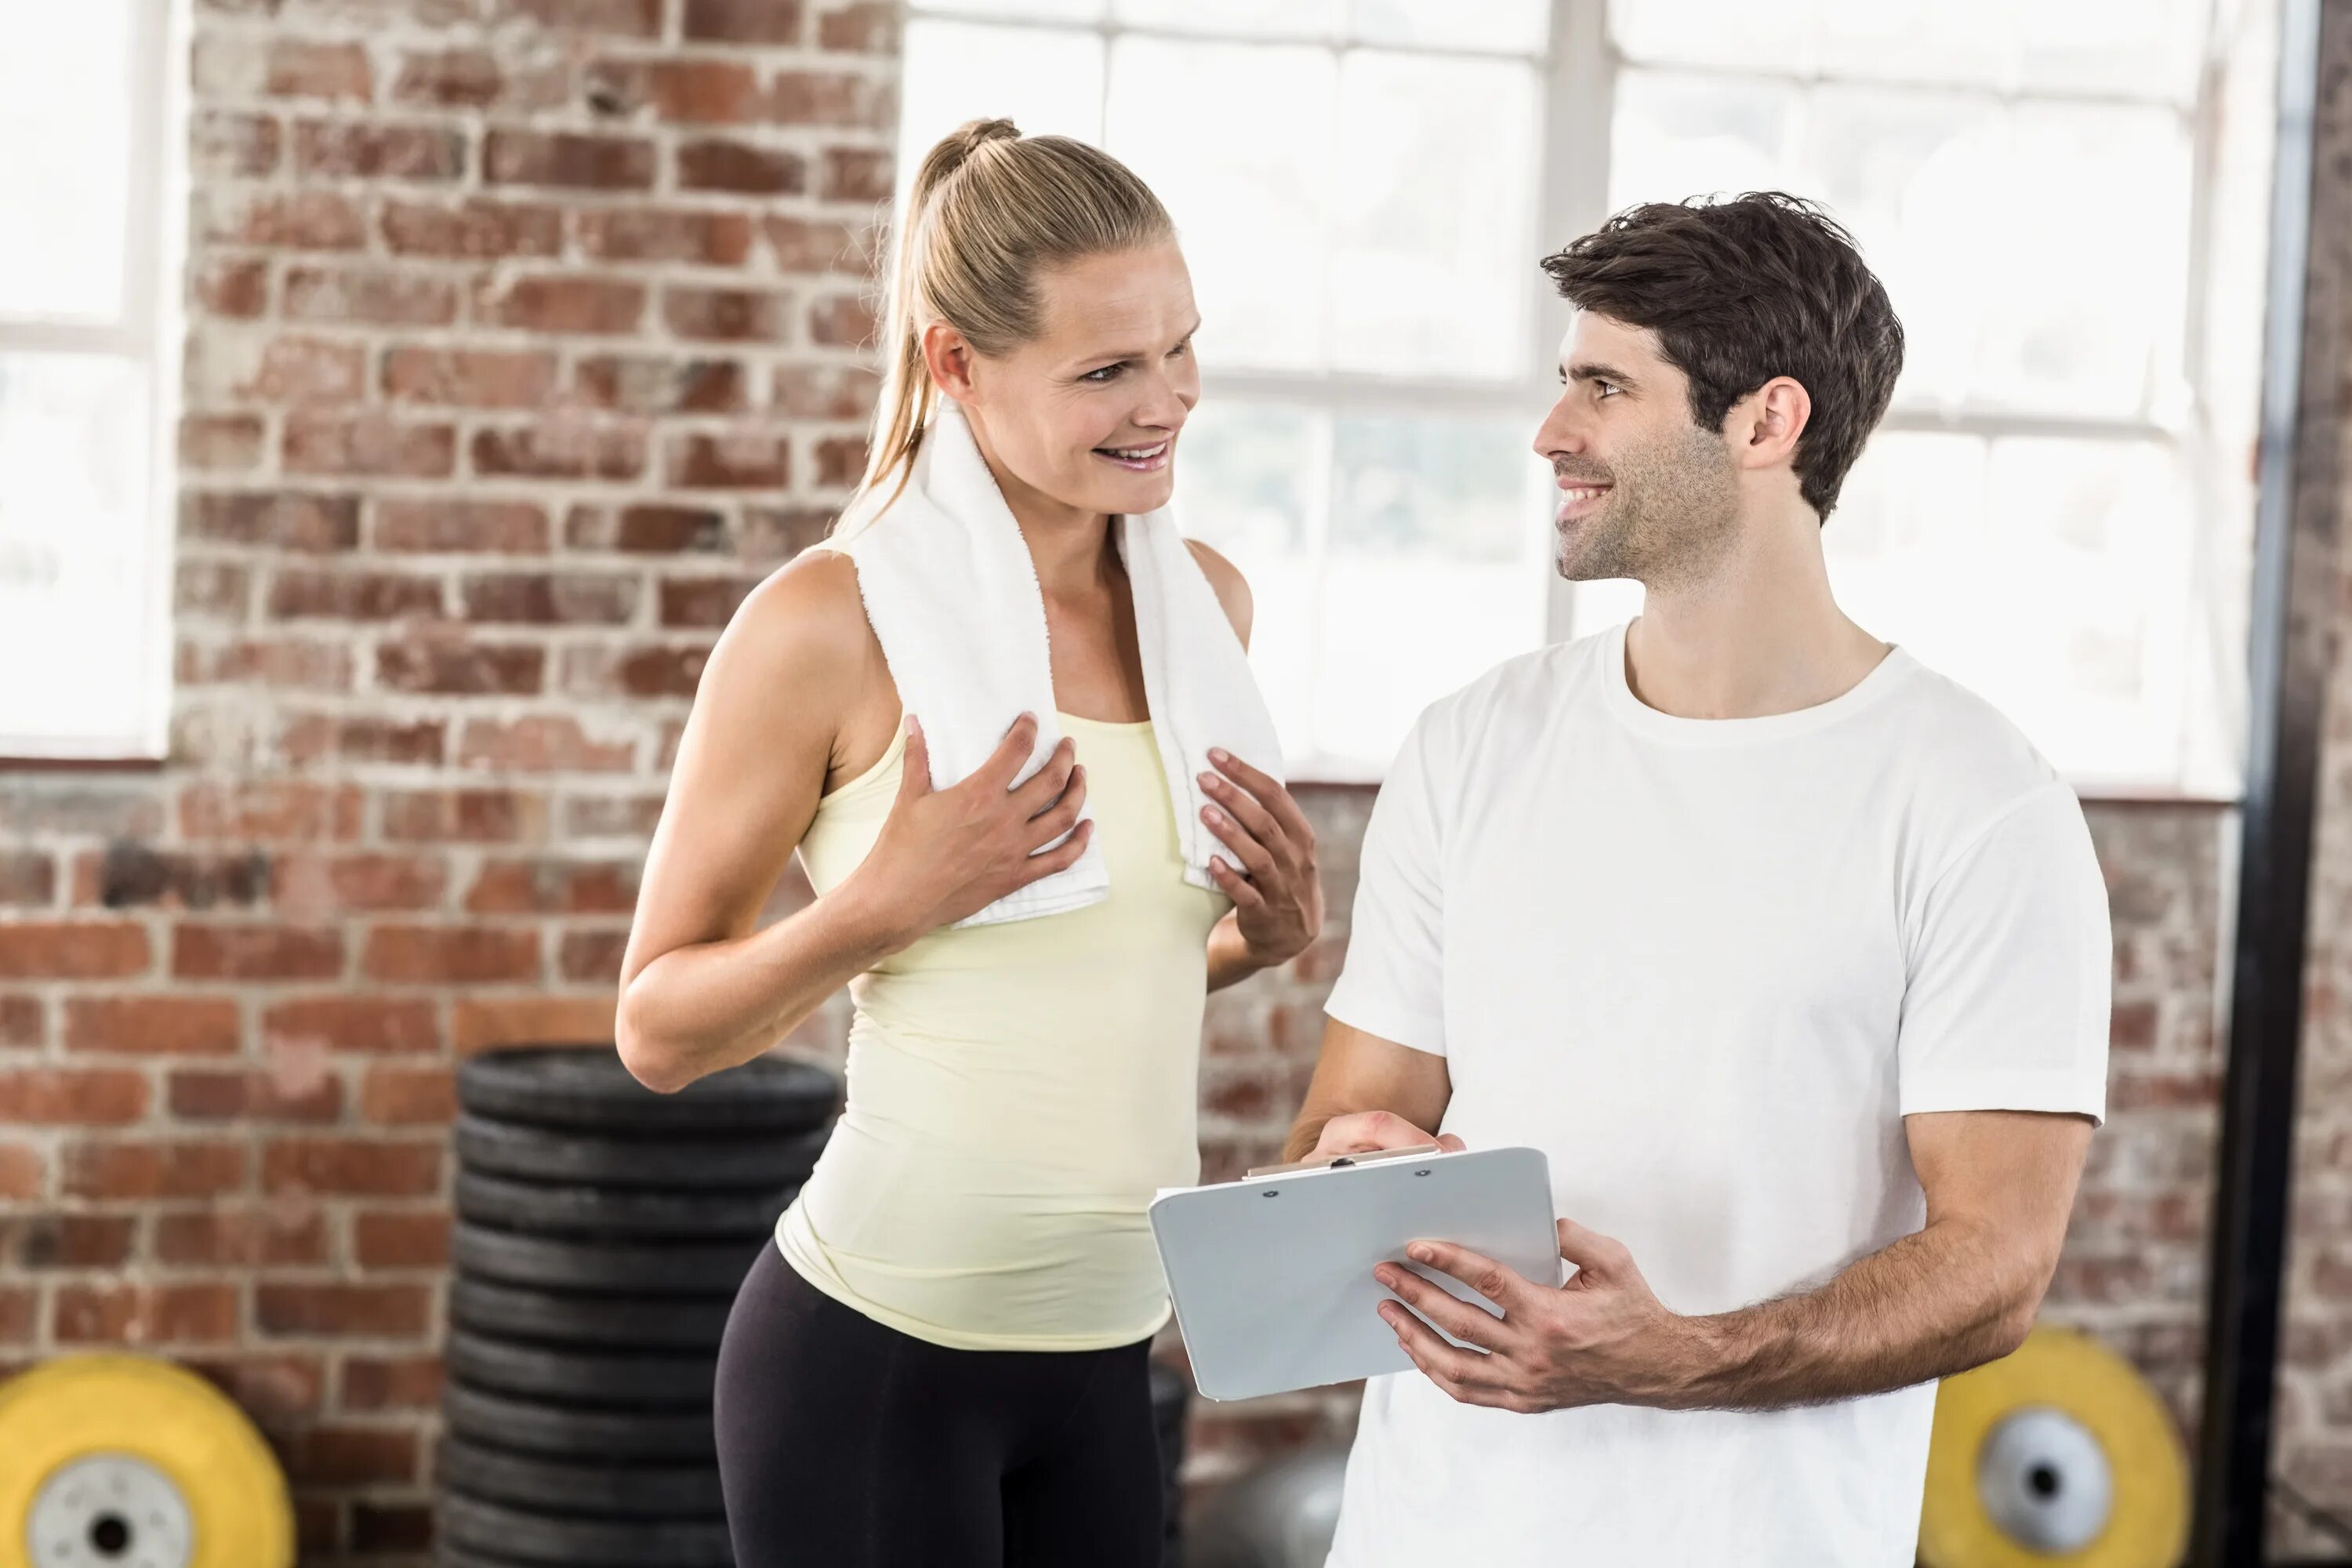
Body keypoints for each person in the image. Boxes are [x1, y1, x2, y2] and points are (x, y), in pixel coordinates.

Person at [1283, 193, 2111, 1566]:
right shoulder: (1471, 744)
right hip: (1427, 1531)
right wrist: (1345, 1167)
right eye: (1564, 385)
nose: (1553, 435)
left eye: (1604, 387)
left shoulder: (1976, 801)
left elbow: (1994, 1269)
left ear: (1764, 422)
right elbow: (1352, 1115)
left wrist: (1674, 1357)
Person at [614, 120, 1323, 1568]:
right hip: (873, 1362)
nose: (1166, 403)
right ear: (955, 366)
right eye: (1106, 370)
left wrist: (1272, 937)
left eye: (1180, 350)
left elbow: (1086, 976)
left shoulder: (1207, 611)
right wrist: (885, 902)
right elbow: (656, 1029)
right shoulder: (827, 624)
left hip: (1107, 1357)